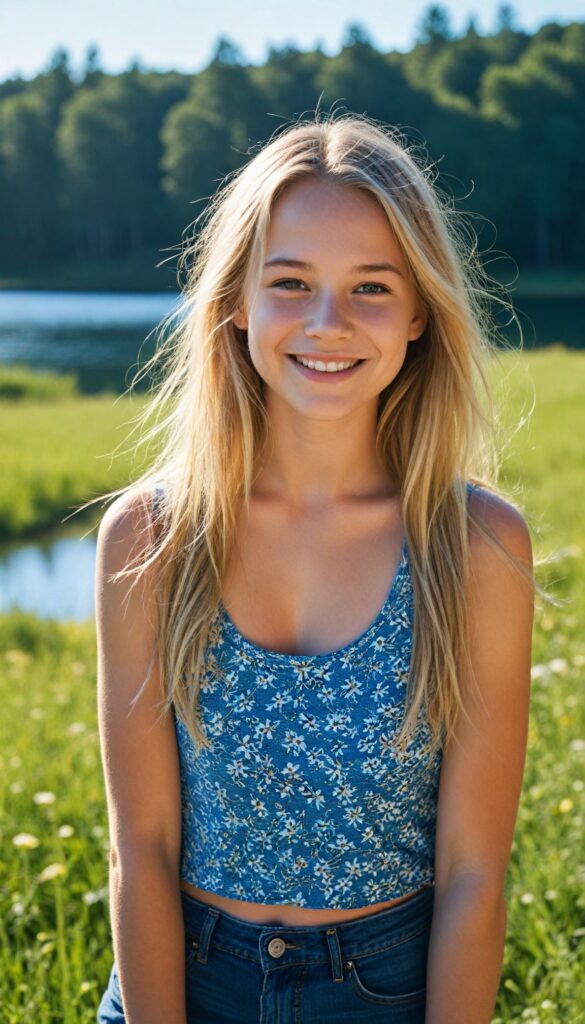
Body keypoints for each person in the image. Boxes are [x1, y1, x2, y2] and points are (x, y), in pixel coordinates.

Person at [94, 113, 535, 1024]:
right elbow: (139, 849)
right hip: (180, 979)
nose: (327, 324)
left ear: (418, 312)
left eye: (370, 287)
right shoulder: (151, 537)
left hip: (384, 990)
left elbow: (470, 873)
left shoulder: (475, 545)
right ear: (236, 302)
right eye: (289, 281)